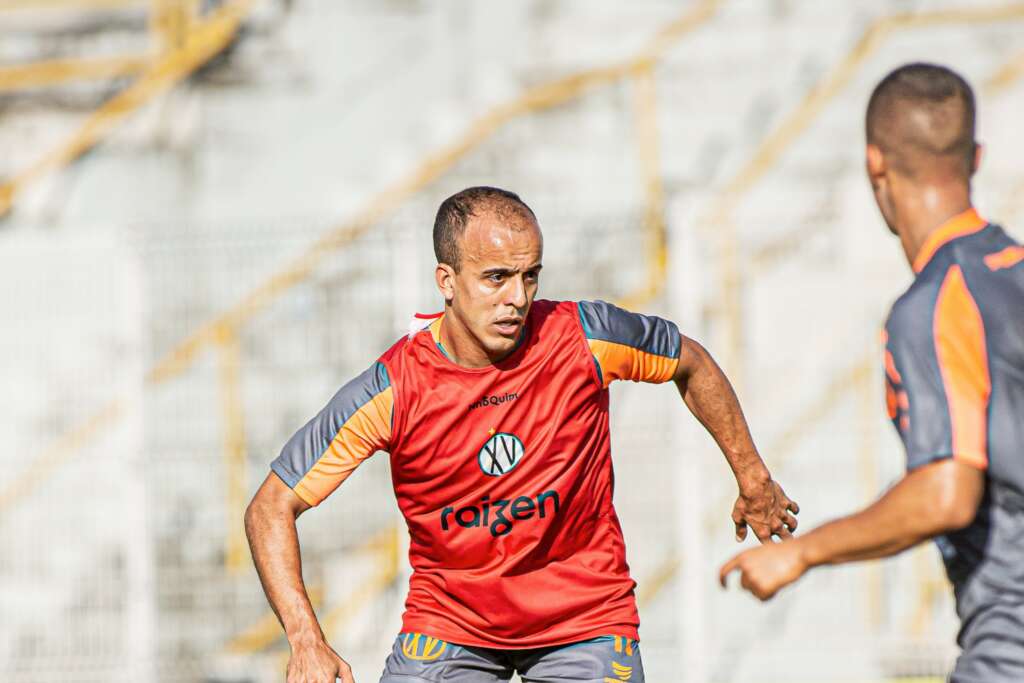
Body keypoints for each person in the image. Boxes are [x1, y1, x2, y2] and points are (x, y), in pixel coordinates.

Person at [246, 186, 799, 683]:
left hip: (584, 618)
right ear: (446, 280)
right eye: (495, 278)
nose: (516, 297)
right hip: (451, 627)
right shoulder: (394, 389)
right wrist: (305, 638)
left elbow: (691, 362)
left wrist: (753, 477)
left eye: (529, 275)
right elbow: (270, 507)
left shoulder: (584, 338)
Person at [719, 63, 1024, 682]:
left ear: (875, 165)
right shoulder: (1013, 272)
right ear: (977, 156)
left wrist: (801, 553)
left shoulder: (937, 305)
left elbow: (946, 492)